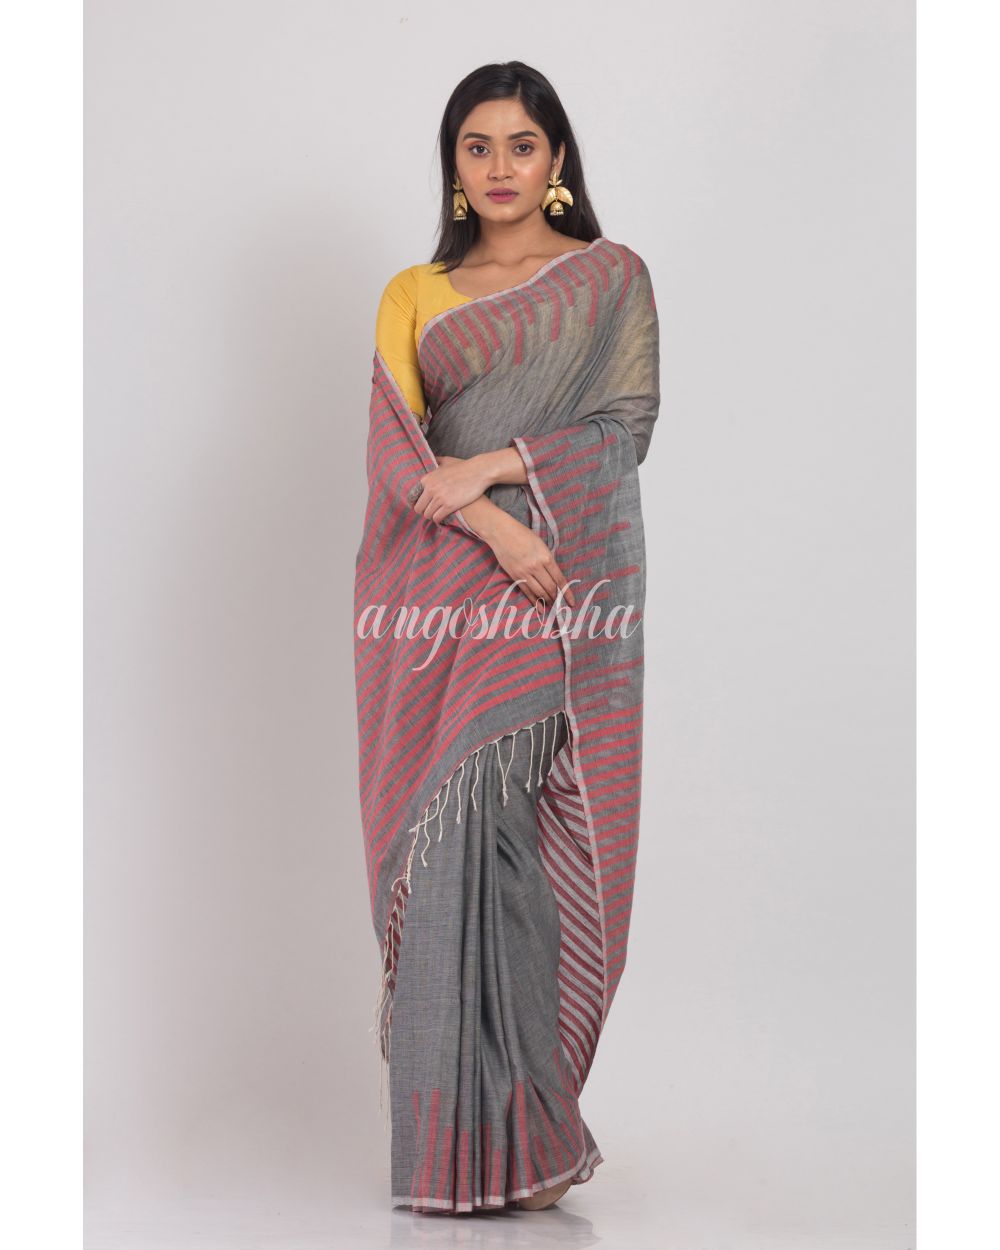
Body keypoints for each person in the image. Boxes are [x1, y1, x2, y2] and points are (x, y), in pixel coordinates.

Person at [353, 60, 660, 1214]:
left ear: (556, 158)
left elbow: (624, 428)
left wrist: (497, 465)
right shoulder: (413, 291)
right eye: (474, 146)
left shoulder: (609, 279)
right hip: (443, 586)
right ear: (453, 163)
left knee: (512, 847)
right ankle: (449, 1148)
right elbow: (397, 451)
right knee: (445, 849)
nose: (497, 168)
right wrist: (494, 519)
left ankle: (530, 1130)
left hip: (553, 593)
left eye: (519, 146)